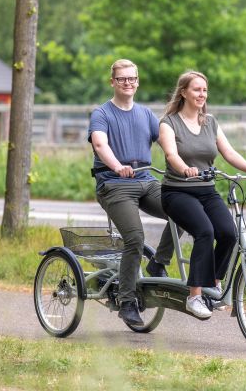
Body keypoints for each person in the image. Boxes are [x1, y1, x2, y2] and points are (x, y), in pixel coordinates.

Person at [159, 70, 246, 318]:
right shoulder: (169, 123)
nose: (201, 94)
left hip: (206, 190)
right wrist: (185, 169)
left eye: (204, 90)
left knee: (229, 234)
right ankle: (194, 296)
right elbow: (170, 154)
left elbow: (229, 153)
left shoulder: (210, 122)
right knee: (205, 232)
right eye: (196, 89)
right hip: (177, 191)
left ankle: (213, 286)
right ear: (184, 92)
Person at [88, 59, 173, 327]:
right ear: (112, 82)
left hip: (146, 180)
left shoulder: (147, 114)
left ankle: (158, 263)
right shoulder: (101, 113)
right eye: (122, 79)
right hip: (114, 184)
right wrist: (117, 166)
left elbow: (169, 143)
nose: (128, 83)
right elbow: (100, 145)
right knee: (135, 237)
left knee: (183, 209)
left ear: (137, 81)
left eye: (132, 79)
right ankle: (127, 301)